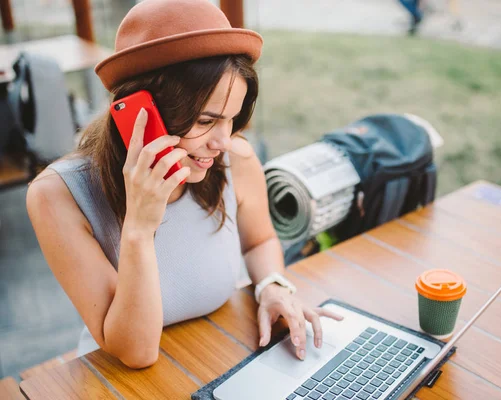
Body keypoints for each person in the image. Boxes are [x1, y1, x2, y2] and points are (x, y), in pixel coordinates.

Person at [26, 0, 342, 369]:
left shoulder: (234, 157)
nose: (223, 141)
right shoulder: (56, 196)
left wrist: (272, 284)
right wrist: (140, 229)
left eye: (231, 119)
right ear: (141, 112)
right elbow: (135, 352)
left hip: (217, 350)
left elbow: (260, 240)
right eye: (206, 120)